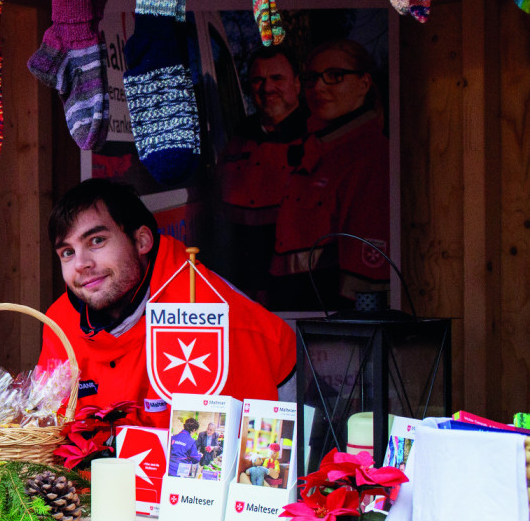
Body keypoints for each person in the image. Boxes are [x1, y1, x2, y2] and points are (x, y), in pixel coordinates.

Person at [37, 178, 296, 429]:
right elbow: (48, 427)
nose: (81, 264)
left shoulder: (207, 311)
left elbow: (221, 457)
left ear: (142, 241)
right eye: (68, 252)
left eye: (97, 241)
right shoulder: (60, 320)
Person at [269, 40, 390, 310]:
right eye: (311, 78)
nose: (318, 87)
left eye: (335, 76)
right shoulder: (316, 149)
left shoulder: (371, 158)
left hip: (330, 328)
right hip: (294, 316)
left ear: (364, 83)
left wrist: (357, 338)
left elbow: (367, 283)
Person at [216, 45, 309, 301]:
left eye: (277, 78)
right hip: (241, 286)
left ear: (297, 84)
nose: (267, 88)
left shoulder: (318, 135)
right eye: (258, 80)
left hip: (299, 292)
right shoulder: (238, 137)